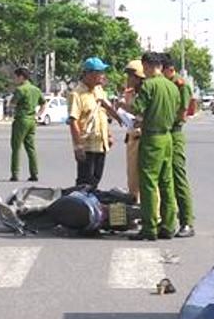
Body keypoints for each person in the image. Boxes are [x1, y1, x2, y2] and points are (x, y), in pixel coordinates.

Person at [130, 51, 179, 241]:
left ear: (148, 66)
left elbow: (137, 109)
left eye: (144, 68)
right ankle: (168, 225)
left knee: (148, 183)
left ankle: (149, 228)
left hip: (152, 138)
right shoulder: (172, 87)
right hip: (168, 137)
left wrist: (123, 106)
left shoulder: (148, 86)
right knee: (167, 182)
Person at [67, 57, 117, 190]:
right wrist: (78, 147)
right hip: (87, 146)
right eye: (99, 73)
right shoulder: (76, 94)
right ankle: (80, 209)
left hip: (101, 144)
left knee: (96, 180)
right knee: (84, 183)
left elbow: (102, 114)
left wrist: (109, 134)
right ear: (89, 74)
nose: (102, 76)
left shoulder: (99, 90)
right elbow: (73, 121)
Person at [162, 56, 196, 238]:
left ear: (169, 69)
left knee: (178, 177)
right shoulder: (166, 85)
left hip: (174, 132)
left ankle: (187, 221)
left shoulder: (180, 85)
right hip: (164, 133)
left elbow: (182, 115)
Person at [9, 66, 44, 182]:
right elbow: (43, 104)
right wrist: (38, 115)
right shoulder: (36, 89)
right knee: (31, 148)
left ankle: (15, 173)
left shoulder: (20, 90)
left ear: (21, 77)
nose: (15, 79)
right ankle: (34, 173)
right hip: (32, 120)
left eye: (16, 77)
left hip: (21, 120)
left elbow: (12, 104)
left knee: (16, 147)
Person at [121, 59, 145, 203]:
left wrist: (124, 107)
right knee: (132, 179)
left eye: (130, 76)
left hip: (140, 138)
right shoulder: (131, 93)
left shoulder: (145, 93)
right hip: (132, 137)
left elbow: (141, 114)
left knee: (139, 179)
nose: (127, 79)